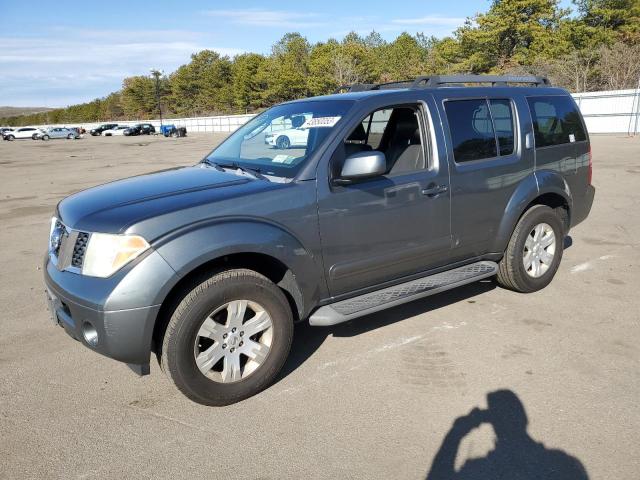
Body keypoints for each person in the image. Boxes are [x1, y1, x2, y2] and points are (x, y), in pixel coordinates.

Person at [426, 390, 588, 480]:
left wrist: (456, 433)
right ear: (523, 420)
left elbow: (437, 476)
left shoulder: (480, 470)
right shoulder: (564, 463)